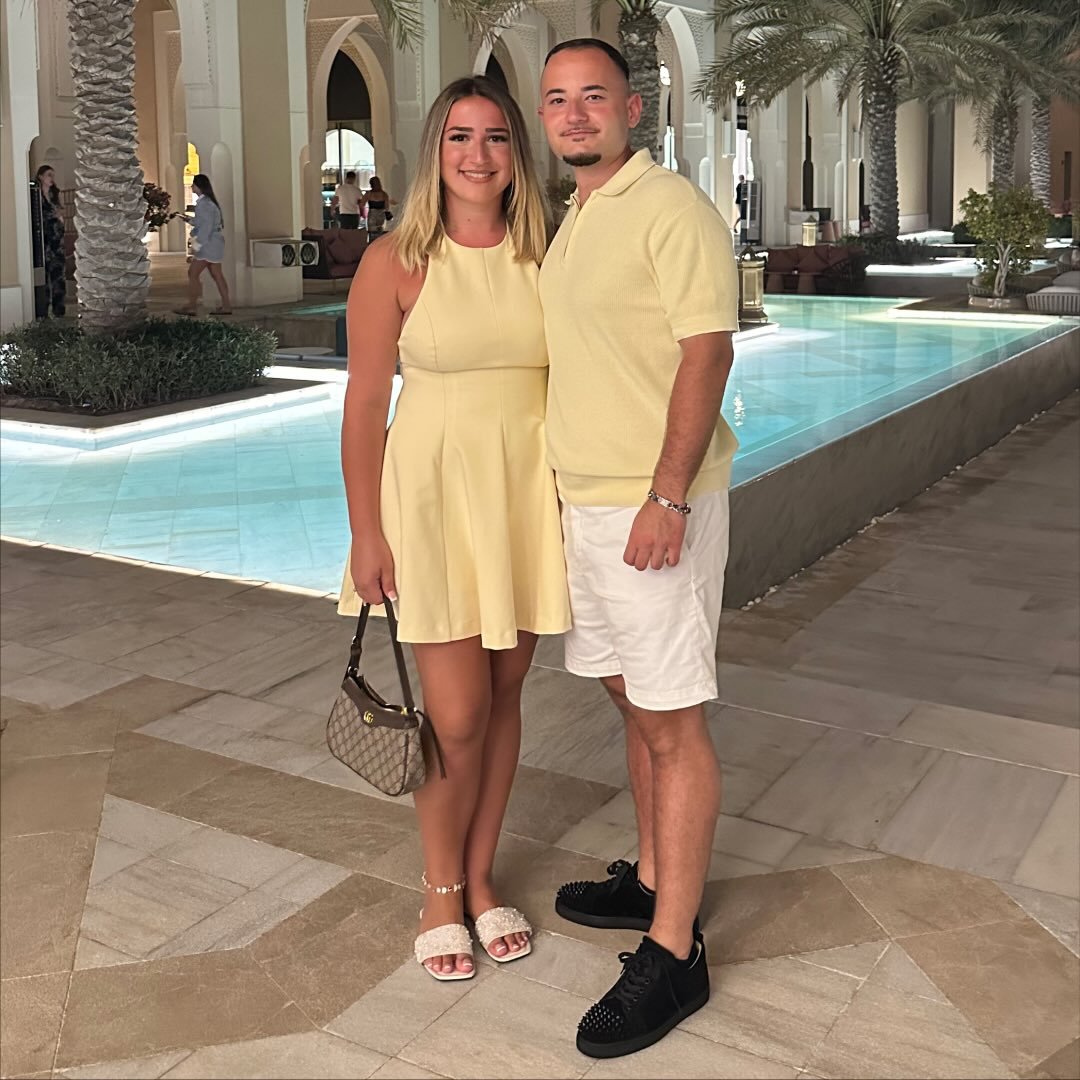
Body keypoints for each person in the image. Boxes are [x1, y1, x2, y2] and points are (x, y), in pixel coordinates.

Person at [338, 76, 570, 982]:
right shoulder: (396, 260)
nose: (478, 155)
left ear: (518, 153)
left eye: (497, 137)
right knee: (458, 714)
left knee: (504, 699)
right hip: (432, 499)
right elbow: (364, 408)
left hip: (525, 497)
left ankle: (480, 878)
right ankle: (440, 889)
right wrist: (366, 533)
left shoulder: (547, 253)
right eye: (460, 137)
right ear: (435, 150)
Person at [537, 39, 739, 1058]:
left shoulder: (671, 209)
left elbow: (709, 351)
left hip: (652, 506)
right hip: (589, 502)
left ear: (632, 109)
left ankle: (674, 951)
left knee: (673, 718)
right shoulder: (578, 215)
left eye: (593, 97)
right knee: (631, 696)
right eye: (557, 100)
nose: (574, 114)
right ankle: (656, 878)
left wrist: (666, 493)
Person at [176, 174, 231, 316]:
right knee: (217, 275)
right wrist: (188, 219)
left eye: (193, 184)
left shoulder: (204, 204)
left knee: (193, 273)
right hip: (215, 242)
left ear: (199, 186)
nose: (191, 187)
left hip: (208, 244)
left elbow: (205, 228)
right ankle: (226, 305)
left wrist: (197, 246)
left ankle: (191, 306)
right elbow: (204, 222)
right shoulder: (208, 202)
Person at [35, 165, 66, 317]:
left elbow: (60, 212)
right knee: (44, 276)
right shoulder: (36, 195)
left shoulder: (55, 194)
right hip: (43, 241)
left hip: (57, 241)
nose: (51, 178)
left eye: (53, 175)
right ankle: (43, 310)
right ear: (40, 176)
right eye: (48, 175)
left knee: (58, 275)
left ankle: (59, 310)